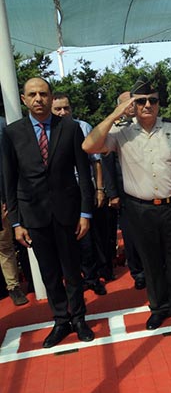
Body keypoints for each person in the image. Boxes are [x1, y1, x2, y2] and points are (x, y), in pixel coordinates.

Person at [83, 77, 171, 330]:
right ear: (133, 105)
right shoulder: (121, 132)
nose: (148, 105)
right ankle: (158, 307)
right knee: (151, 259)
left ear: (159, 103)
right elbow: (88, 145)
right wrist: (116, 114)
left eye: (152, 100)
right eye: (141, 101)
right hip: (140, 208)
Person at [3, 78, 94, 347]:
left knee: (72, 269)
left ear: (51, 97)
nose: (38, 99)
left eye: (43, 94)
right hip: (33, 216)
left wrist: (85, 213)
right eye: (32, 94)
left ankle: (79, 318)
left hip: (67, 213)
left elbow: (84, 174)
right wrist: (16, 222)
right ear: (23, 99)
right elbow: (9, 178)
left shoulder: (70, 128)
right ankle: (60, 321)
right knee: (49, 272)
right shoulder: (12, 133)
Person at [51, 93, 109, 296]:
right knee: (65, 242)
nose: (63, 112)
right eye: (58, 109)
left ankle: (93, 278)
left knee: (88, 238)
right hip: (59, 196)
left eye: (66, 108)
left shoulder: (82, 127)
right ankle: (75, 280)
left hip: (83, 192)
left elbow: (96, 161)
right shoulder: (47, 132)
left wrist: (99, 189)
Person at [101, 91, 145, 290]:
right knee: (131, 234)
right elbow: (107, 164)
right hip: (125, 191)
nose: (131, 106)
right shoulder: (113, 130)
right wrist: (113, 194)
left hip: (148, 189)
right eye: (126, 103)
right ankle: (138, 272)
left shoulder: (145, 125)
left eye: (134, 102)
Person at [0, 117, 29, 306]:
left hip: (7, 199)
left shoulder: (4, 126)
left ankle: (13, 286)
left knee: (6, 245)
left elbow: (7, 168)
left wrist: (5, 200)